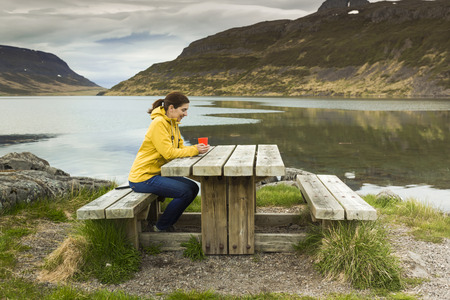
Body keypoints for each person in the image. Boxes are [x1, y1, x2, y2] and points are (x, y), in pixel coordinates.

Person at [128, 92, 209, 232]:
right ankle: (161, 227)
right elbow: (169, 153)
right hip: (143, 177)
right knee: (184, 192)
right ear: (171, 108)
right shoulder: (158, 124)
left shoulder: (173, 123)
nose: (186, 114)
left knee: (193, 188)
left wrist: (196, 148)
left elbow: (180, 147)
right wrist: (194, 150)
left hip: (157, 173)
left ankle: (167, 222)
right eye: (183, 110)